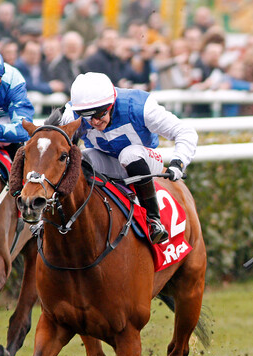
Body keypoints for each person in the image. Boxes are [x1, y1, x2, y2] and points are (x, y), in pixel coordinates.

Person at [58, 72, 198, 244]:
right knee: (81, 158)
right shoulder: (73, 115)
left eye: (100, 114)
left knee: (129, 154)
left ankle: (154, 220)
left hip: (144, 159)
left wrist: (178, 163)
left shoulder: (140, 106)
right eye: (87, 116)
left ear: (112, 104)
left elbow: (185, 131)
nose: (94, 121)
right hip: (107, 160)